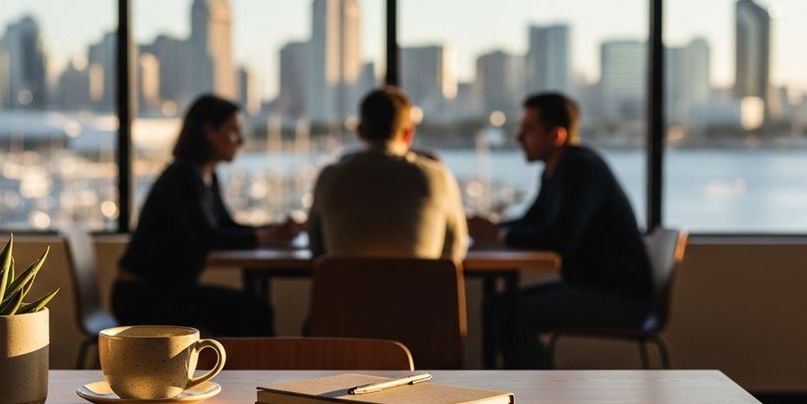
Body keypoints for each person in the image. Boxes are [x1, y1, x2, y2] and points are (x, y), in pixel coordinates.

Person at [468, 92, 652, 368]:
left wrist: (502, 236)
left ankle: (537, 397)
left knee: (507, 313)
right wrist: (494, 229)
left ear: (557, 135)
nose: (519, 137)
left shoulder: (581, 169)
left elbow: (561, 239)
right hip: (595, 287)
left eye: (528, 129)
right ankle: (529, 392)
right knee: (497, 307)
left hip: (620, 299)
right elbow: (531, 221)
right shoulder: (557, 169)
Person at [113, 94, 301, 335]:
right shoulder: (183, 177)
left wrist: (274, 231)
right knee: (253, 311)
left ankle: (240, 372)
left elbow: (226, 225)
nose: (240, 140)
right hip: (143, 297)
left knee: (251, 309)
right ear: (209, 131)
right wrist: (271, 236)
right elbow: (208, 237)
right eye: (233, 130)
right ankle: (246, 373)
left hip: (164, 290)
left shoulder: (205, 176)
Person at [307, 86, 468, 259]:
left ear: (360, 131)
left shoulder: (330, 177)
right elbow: (455, 250)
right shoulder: (438, 176)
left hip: (349, 286)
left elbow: (317, 249)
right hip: (417, 286)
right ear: (409, 133)